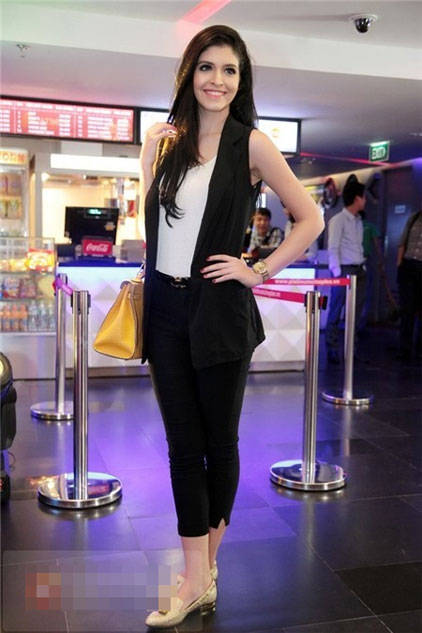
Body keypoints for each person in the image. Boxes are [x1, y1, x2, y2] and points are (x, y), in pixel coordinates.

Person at [139, 25, 324, 629]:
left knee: (218, 444)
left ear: (241, 82)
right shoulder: (170, 144)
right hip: (165, 311)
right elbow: (155, 230)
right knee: (181, 447)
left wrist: (258, 270)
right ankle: (198, 574)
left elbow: (310, 218)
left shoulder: (253, 144)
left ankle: (199, 574)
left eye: (229, 70)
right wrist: (144, 160)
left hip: (219, 311)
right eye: (207, 67)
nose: (216, 80)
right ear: (189, 73)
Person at [325, 175, 367, 364]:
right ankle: (332, 348)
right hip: (343, 270)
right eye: (363, 197)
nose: (365, 201)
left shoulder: (358, 220)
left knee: (355, 313)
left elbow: (358, 246)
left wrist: (363, 266)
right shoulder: (338, 219)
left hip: (359, 269)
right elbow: (333, 247)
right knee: (336, 310)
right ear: (357, 198)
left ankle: (352, 350)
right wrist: (337, 273)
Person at [396, 209, 422, 361]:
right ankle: (404, 349)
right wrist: (399, 265)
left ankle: (419, 350)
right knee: (407, 309)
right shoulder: (414, 218)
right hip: (408, 265)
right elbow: (402, 242)